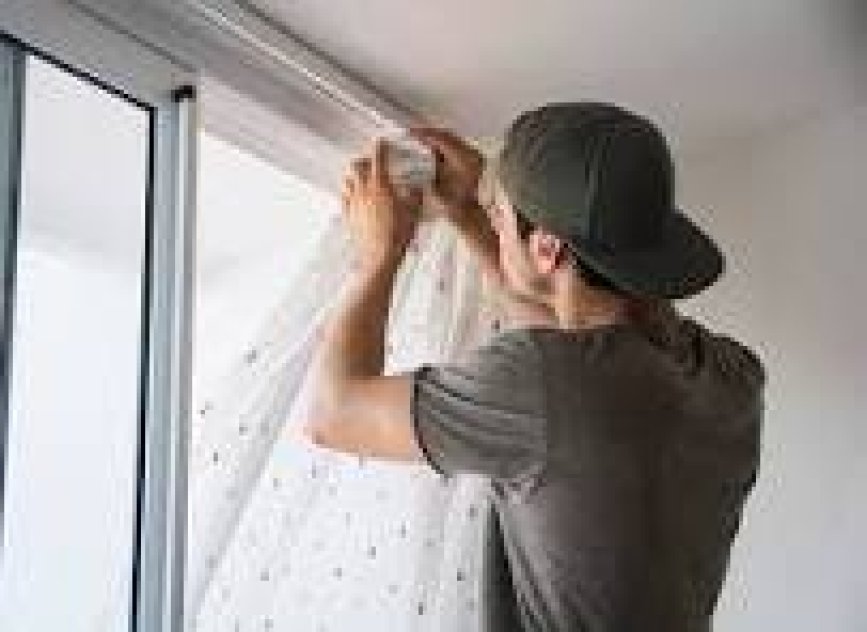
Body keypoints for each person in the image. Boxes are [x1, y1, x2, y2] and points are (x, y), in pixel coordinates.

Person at [302, 102, 765, 631]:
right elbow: (580, 346)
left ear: (546, 249)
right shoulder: (735, 377)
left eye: (499, 215)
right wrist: (466, 214)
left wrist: (378, 253)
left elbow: (332, 414)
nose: (494, 222)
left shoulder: (543, 379)